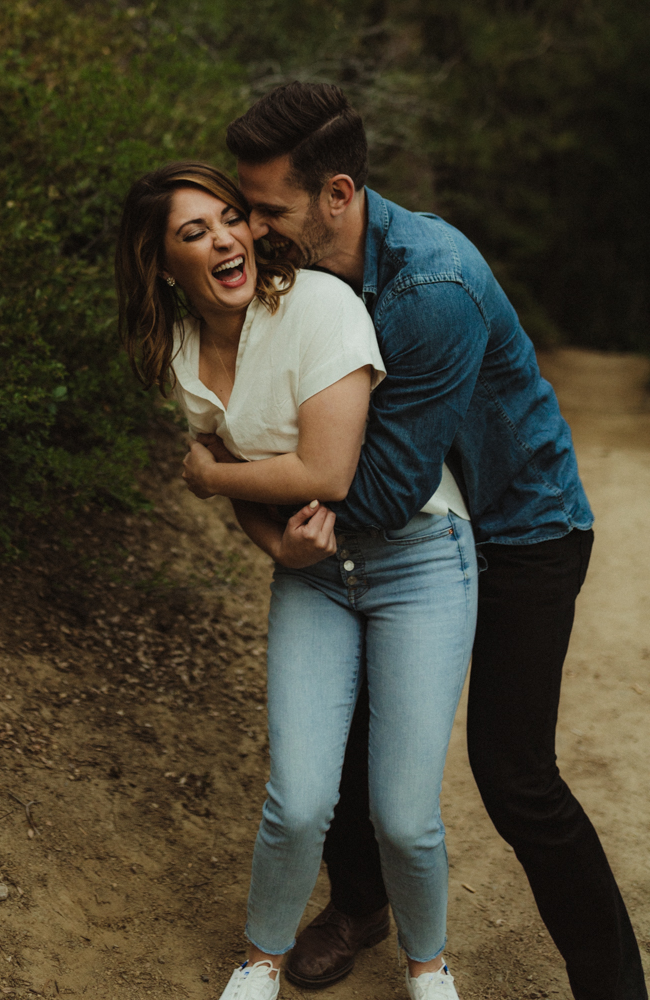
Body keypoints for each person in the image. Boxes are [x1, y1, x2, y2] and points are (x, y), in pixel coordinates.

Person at [218, 82, 649, 1000]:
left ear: (338, 194)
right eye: (244, 207)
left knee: (515, 775)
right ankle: (361, 905)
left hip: (521, 529)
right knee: (342, 736)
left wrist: (238, 491)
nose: (250, 231)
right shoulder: (307, 276)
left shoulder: (430, 285)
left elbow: (372, 487)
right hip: (403, 529)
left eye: (268, 210)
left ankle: (614, 984)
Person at [115, 161, 479, 1000]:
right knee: (299, 800)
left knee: (404, 816)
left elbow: (327, 468)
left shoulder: (316, 304)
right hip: (312, 577)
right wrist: (275, 549)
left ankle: (430, 967)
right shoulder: (181, 358)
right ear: (162, 265)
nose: (224, 239)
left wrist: (207, 483)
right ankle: (261, 957)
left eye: (229, 218)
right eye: (193, 233)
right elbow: (252, 475)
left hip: (419, 559)